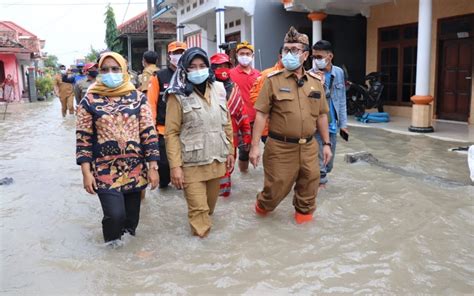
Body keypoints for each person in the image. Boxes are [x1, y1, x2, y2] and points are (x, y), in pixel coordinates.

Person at [249, 27, 332, 224]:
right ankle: (260, 212)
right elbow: (261, 115)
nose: (289, 54)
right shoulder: (272, 81)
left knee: (309, 189)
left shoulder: (315, 82)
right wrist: (254, 147)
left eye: (294, 50)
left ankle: (303, 234)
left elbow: (321, 115)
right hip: (280, 147)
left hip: (309, 147)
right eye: (286, 50)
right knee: (274, 191)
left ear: (305, 55)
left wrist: (326, 144)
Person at [76, 52, 160, 244]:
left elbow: (148, 133)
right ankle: (111, 249)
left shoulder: (138, 98)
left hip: (135, 169)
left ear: (123, 71)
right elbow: (83, 139)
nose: (110, 73)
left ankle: (126, 262)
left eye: (115, 69)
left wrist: (153, 168)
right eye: (105, 70)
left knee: (131, 221)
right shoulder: (89, 100)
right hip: (104, 171)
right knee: (114, 216)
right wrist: (86, 173)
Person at [165, 47, 234, 238]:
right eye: (192, 67)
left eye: (202, 66)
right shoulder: (176, 95)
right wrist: (175, 167)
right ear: (184, 70)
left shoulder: (219, 89)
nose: (198, 70)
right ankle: (203, 256)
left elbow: (226, 122)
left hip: (216, 159)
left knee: (209, 209)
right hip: (191, 164)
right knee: (199, 213)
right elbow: (171, 133)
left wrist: (230, 151)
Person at [210, 52, 252, 197]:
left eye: (225, 66)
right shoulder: (205, 88)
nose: (222, 69)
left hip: (230, 141)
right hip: (210, 140)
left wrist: (247, 135)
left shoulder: (233, 88)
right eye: (219, 66)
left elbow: (242, 113)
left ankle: (223, 198)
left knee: (227, 170)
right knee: (212, 173)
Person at [147, 41, 187, 188]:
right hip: (163, 129)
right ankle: (164, 185)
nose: (179, 56)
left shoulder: (190, 75)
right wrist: (152, 130)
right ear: (169, 55)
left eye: (182, 52)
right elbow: (151, 103)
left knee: (186, 165)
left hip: (186, 129)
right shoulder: (158, 77)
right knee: (164, 165)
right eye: (175, 53)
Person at [312, 40, 348, 188]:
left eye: (319, 57)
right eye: (314, 57)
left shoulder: (338, 72)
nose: (316, 60)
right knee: (321, 169)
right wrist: (319, 85)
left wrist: (344, 124)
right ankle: (319, 193)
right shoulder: (309, 75)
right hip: (316, 126)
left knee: (329, 165)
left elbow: (342, 99)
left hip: (333, 125)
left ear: (330, 56)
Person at [229, 41, 261, 173]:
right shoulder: (230, 74)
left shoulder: (259, 75)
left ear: (252, 56)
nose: (245, 56)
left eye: (248, 54)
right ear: (236, 56)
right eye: (242, 53)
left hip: (258, 119)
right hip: (240, 120)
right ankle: (244, 175)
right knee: (243, 151)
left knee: (262, 148)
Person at [249, 46, 284, 142]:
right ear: (280, 56)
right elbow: (254, 96)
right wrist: (270, 109)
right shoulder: (267, 74)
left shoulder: (299, 76)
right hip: (269, 129)